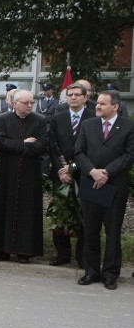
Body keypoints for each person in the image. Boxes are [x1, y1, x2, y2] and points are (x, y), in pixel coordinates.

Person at [74, 89, 134, 290]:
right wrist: (92, 172)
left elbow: (129, 155)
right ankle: (91, 271)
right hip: (91, 184)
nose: (97, 106)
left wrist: (106, 172)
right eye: (97, 103)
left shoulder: (128, 126)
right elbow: (78, 152)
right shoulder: (88, 124)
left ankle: (110, 274)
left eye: (102, 103)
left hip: (114, 186)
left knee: (113, 231)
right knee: (90, 229)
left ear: (115, 106)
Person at [0, 89, 48, 263]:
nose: (29, 106)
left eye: (31, 103)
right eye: (25, 103)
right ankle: (0, 250)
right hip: (6, 171)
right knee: (2, 207)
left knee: (27, 210)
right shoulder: (3, 119)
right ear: (15, 103)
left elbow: (42, 145)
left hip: (30, 172)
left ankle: (24, 251)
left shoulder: (39, 121)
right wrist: (24, 143)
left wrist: (16, 146)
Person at [47, 82, 94, 267]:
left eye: (77, 95)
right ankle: (62, 254)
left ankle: (83, 256)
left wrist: (73, 168)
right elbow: (53, 146)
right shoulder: (58, 118)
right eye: (70, 95)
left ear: (85, 97)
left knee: (85, 214)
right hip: (61, 174)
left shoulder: (92, 118)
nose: (73, 98)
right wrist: (62, 169)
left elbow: (91, 149)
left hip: (85, 175)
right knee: (61, 214)